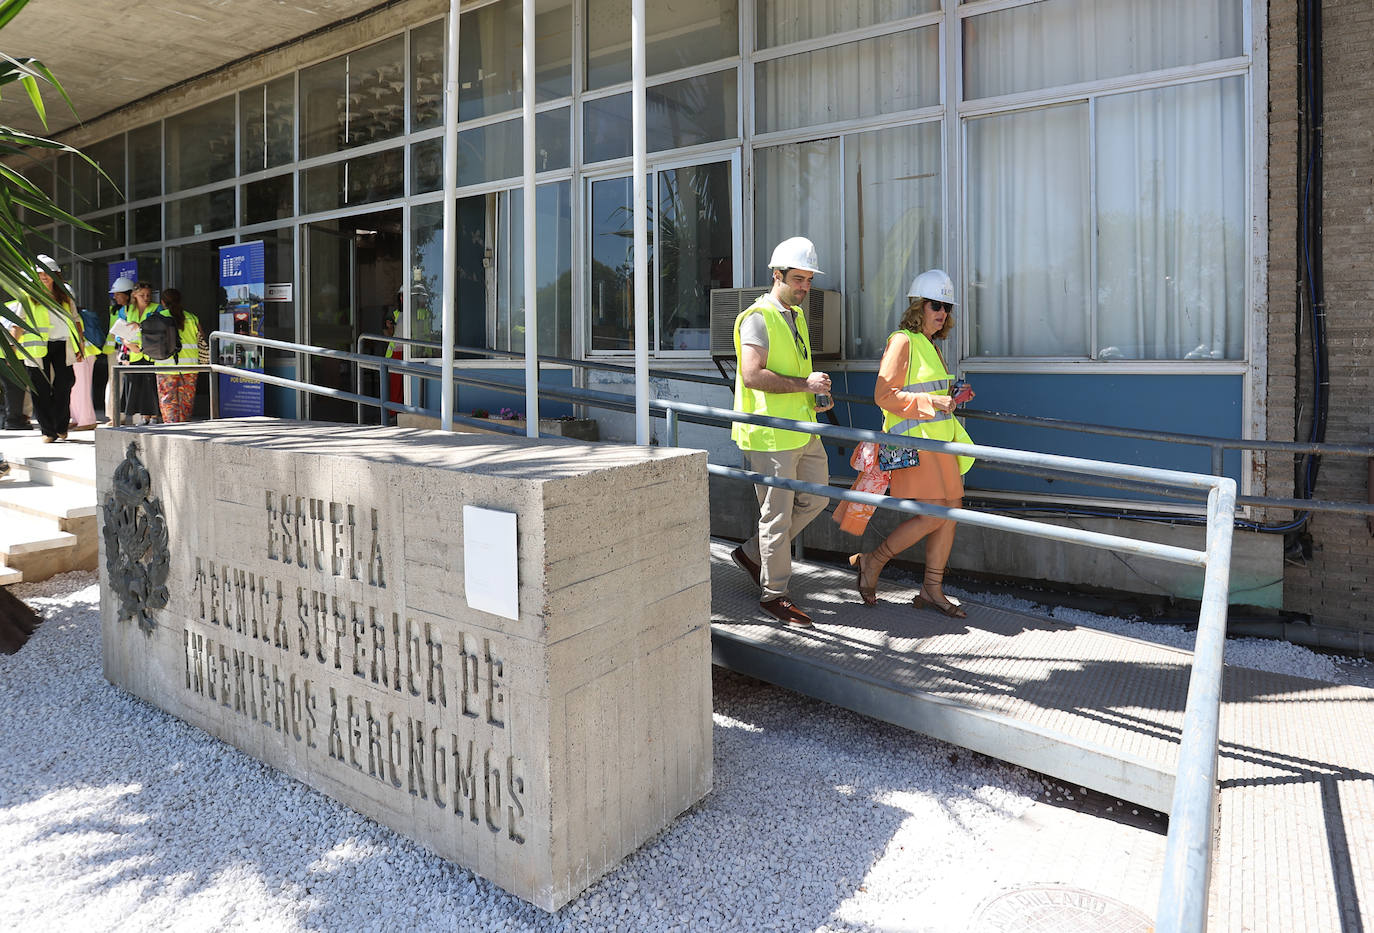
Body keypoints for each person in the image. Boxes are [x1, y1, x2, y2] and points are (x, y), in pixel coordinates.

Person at [849, 269, 976, 617]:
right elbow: (883, 395)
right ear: (918, 306)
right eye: (936, 305)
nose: (943, 312)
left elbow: (924, 394)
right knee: (935, 514)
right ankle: (873, 561)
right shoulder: (902, 340)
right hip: (912, 444)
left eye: (947, 307)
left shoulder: (929, 344)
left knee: (950, 513)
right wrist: (934, 401)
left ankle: (931, 589)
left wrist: (952, 396)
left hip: (936, 443)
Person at [730, 236, 834, 628]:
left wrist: (814, 394)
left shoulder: (796, 315)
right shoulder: (758, 317)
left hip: (802, 427)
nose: (805, 287)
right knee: (776, 517)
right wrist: (805, 385)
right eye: (798, 279)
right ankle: (774, 595)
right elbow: (752, 375)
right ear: (778, 275)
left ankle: (752, 553)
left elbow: (794, 372)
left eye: (809, 280)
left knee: (818, 496)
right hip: (771, 434)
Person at [6, 255, 85, 443]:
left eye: (47, 273)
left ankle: (61, 426)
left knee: (65, 384)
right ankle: (48, 431)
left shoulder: (65, 294)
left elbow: (76, 321)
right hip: (37, 348)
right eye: (40, 274)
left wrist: (80, 345)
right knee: (39, 388)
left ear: (55, 275)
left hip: (62, 344)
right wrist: (12, 350)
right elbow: (18, 324)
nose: (43, 277)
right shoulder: (28, 295)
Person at [109, 281, 163, 424]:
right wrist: (127, 344)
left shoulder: (157, 308)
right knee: (138, 385)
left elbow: (161, 328)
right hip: (134, 354)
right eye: (142, 295)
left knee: (151, 385)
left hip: (152, 353)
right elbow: (118, 333)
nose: (146, 298)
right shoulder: (126, 310)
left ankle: (154, 416)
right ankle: (144, 416)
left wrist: (141, 326)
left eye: (148, 295)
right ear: (134, 295)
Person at [153, 288, 202, 423]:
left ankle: (171, 429)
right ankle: (184, 428)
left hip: (165, 367)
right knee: (186, 404)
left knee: (168, 402)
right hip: (190, 367)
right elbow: (202, 340)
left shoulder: (157, 318)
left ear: (162, 302)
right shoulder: (192, 318)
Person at [102, 276, 135, 422]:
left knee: (130, 383)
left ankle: (134, 416)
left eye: (118, 294)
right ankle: (114, 416)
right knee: (115, 382)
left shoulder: (133, 310)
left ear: (128, 295)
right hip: (117, 351)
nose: (115, 297)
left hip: (130, 349)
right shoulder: (116, 310)